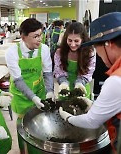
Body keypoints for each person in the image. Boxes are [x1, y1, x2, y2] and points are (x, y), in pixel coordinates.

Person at [59, 12, 121, 154]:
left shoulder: (116, 80)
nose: (99, 56)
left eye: (98, 50)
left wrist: (68, 118)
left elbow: (92, 122)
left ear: (108, 44)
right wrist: (94, 106)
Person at [5, 18, 54, 153]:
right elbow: (18, 80)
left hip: (39, 91)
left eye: (41, 35)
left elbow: (48, 73)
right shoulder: (12, 53)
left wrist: (50, 91)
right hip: (21, 97)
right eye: (35, 36)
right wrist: (32, 98)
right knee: (23, 128)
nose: (40, 39)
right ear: (23, 37)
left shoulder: (44, 49)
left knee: (41, 127)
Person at [54, 22, 96, 99]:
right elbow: (58, 71)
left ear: (82, 40)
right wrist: (63, 82)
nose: (73, 44)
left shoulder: (90, 53)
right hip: (65, 90)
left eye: (76, 41)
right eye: (70, 40)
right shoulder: (59, 53)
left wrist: (80, 82)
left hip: (81, 89)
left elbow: (89, 71)